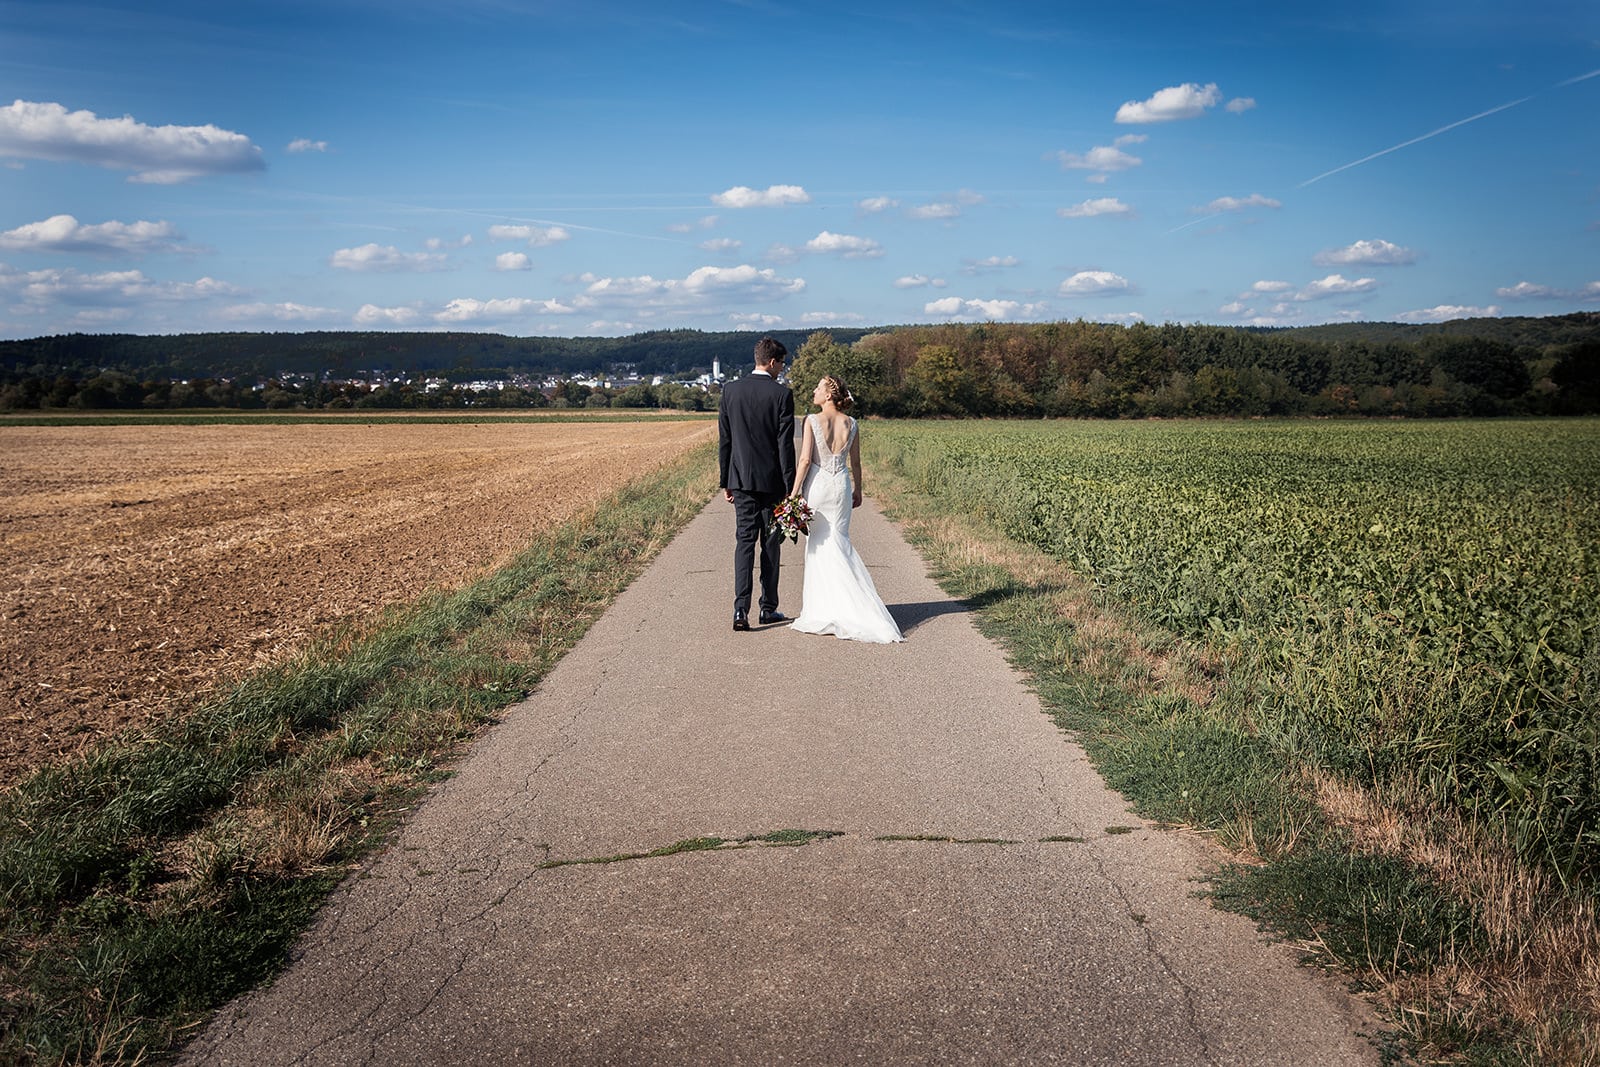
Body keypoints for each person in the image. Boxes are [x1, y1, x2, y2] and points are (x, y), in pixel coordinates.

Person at [787, 375, 904, 644]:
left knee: (818, 545)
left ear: (829, 395)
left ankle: (824, 609)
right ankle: (846, 606)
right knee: (839, 542)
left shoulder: (812, 421)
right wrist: (858, 490)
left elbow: (805, 460)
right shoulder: (852, 423)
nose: (814, 391)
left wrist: (793, 494)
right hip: (840, 485)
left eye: (818, 388)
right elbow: (857, 463)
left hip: (818, 487)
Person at [718, 337, 796, 631]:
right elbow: (784, 446)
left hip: (740, 480)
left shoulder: (730, 391)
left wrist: (726, 479)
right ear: (773, 362)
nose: (782, 369)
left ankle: (740, 610)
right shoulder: (781, 395)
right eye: (782, 363)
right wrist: (790, 486)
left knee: (744, 544)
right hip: (773, 483)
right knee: (771, 546)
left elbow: (725, 440)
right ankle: (768, 608)